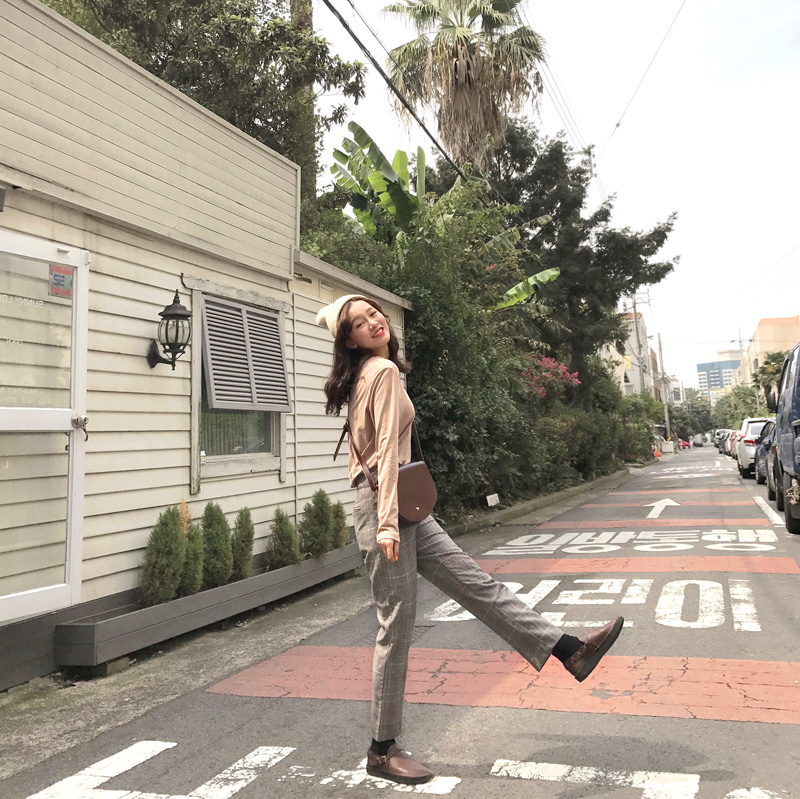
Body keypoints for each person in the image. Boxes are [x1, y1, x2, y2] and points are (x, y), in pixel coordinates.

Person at [317, 294, 624, 786]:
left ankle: (568, 649)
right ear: (349, 340)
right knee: (396, 627)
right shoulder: (382, 372)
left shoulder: (369, 373)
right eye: (359, 323)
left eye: (374, 313)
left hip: (396, 506)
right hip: (386, 508)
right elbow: (386, 454)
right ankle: (381, 748)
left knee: (477, 585)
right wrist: (388, 521)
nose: (374, 322)